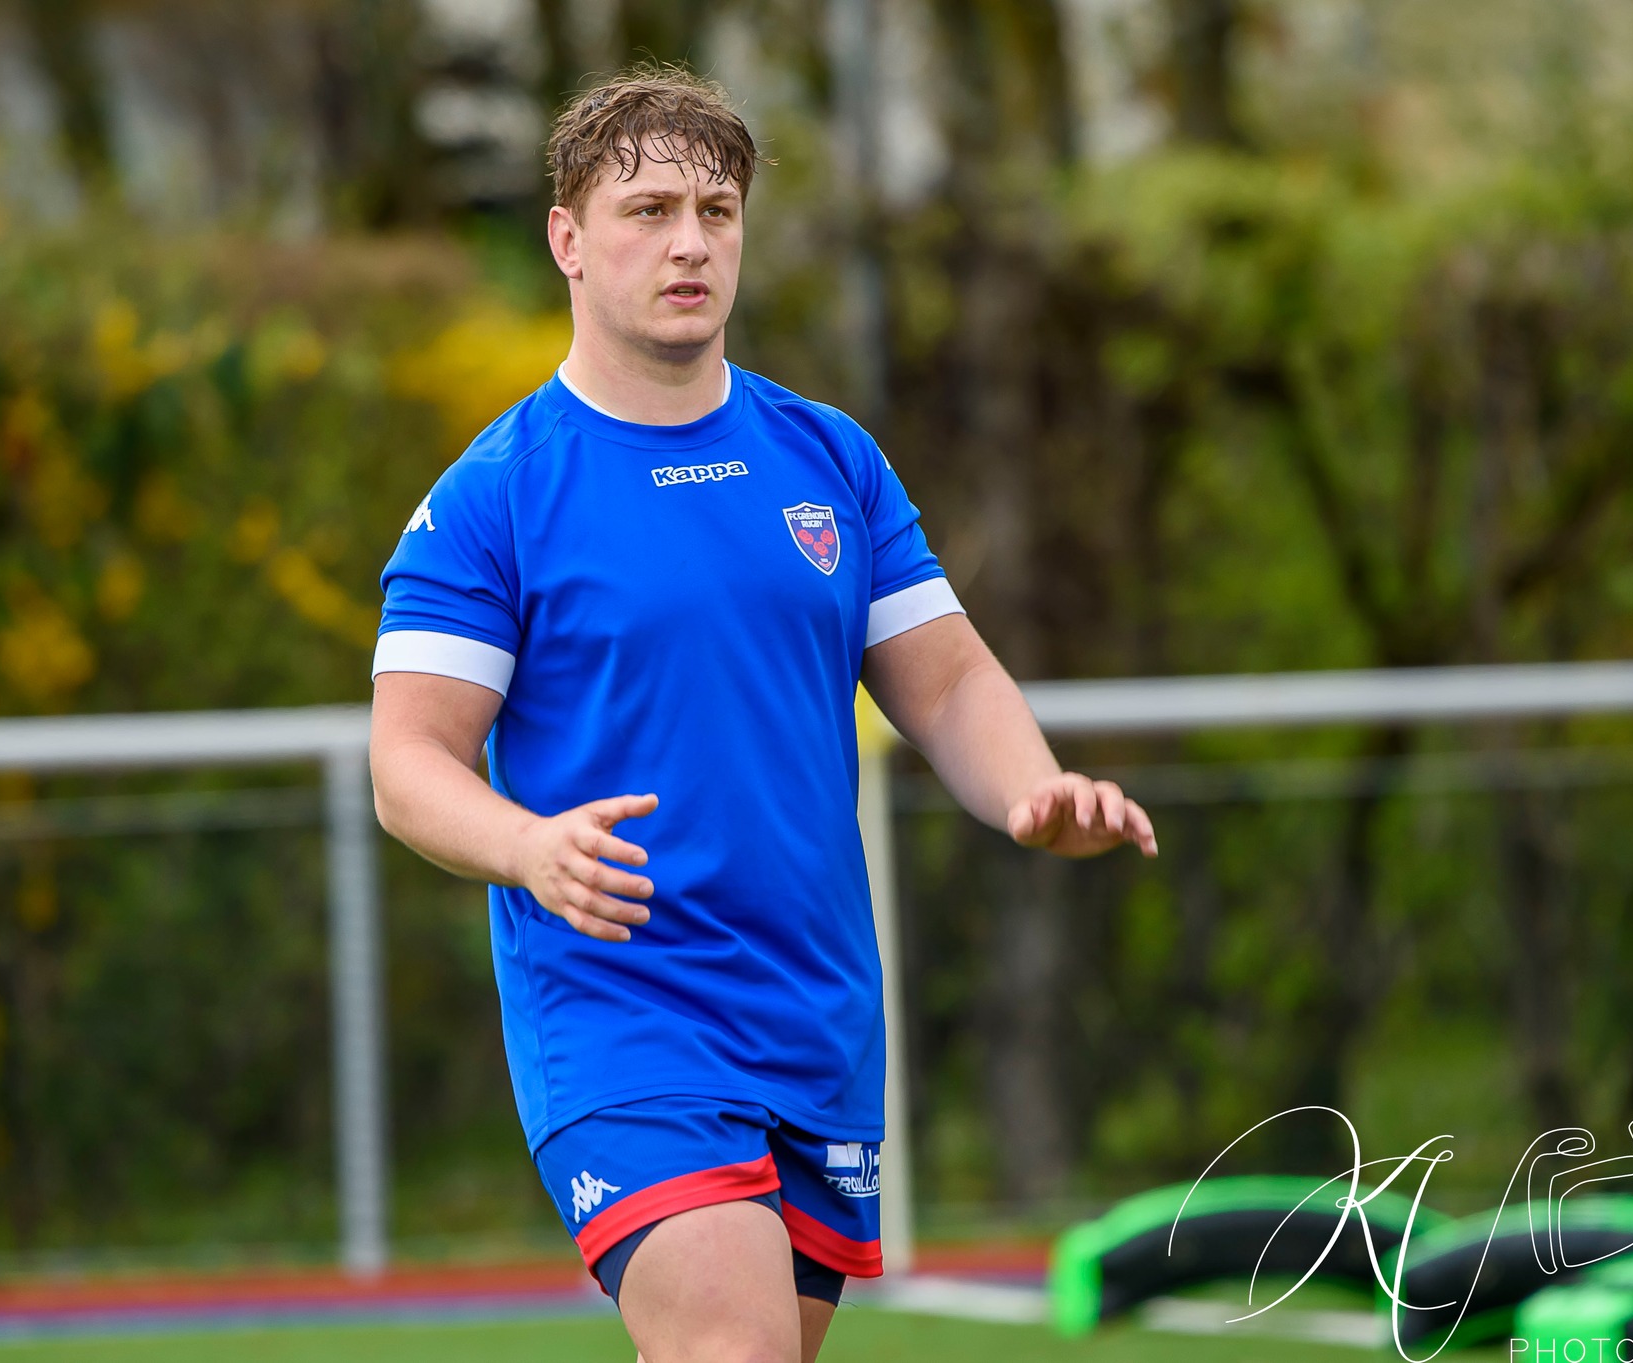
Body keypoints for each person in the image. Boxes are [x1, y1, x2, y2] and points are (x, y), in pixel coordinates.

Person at [368, 64, 1157, 1363]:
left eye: (717, 210)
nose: (690, 241)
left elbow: (948, 679)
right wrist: (527, 847)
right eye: (649, 210)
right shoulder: (493, 497)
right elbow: (409, 764)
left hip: (813, 1007)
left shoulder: (829, 459)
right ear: (567, 239)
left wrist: (1031, 791)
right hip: (623, 1010)